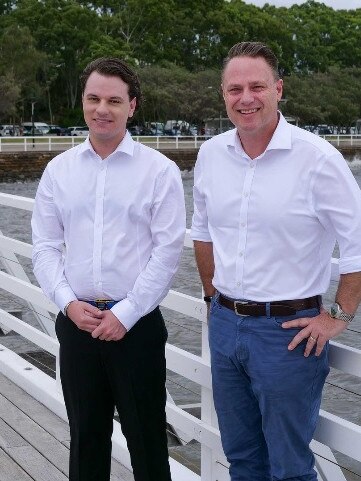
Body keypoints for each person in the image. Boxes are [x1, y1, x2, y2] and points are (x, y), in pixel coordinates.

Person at [191, 41, 361, 481]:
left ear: (279, 89)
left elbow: (358, 243)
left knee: (289, 465)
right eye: (234, 89)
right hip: (225, 324)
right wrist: (211, 297)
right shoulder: (211, 155)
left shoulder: (318, 159)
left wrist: (338, 315)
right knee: (242, 456)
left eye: (256, 86)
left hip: (288, 335)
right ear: (223, 94)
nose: (245, 98)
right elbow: (203, 231)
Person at [32, 57, 186, 481]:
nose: (103, 108)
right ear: (82, 101)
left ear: (132, 106)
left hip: (136, 326)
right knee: (86, 437)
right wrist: (67, 304)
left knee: (147, 439)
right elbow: (44, 247)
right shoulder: (58, 171)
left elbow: (167, 252)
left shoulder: (159, 171)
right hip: (78, 324)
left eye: (114, 100)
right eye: (94, 98)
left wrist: (127, 312)